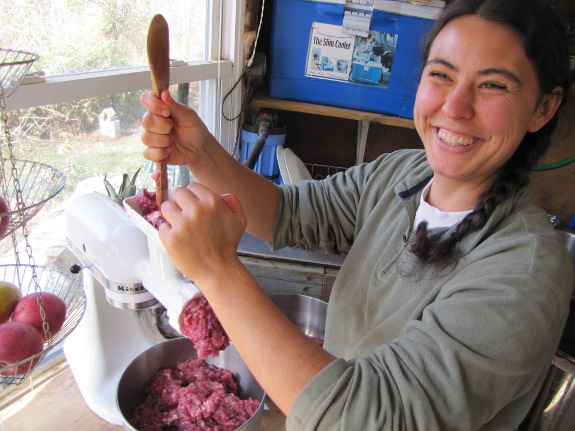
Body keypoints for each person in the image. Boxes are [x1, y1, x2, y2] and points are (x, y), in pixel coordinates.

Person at [139, 0, 573, 428]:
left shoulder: (525, 272)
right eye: (441, 74)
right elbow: (286, 213)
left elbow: (365, 418)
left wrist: (218, 272)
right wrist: (200, 152)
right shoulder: (403, 173)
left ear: (543, 108)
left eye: (493, 85)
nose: (455, 107)